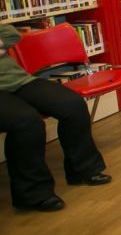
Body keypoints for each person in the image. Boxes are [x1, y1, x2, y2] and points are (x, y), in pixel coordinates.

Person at [0, 24, 111, 212]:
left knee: (73, 105)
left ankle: (82, 170)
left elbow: (12, 35)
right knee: (26, 122)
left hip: (20, 81)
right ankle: (34, 194)